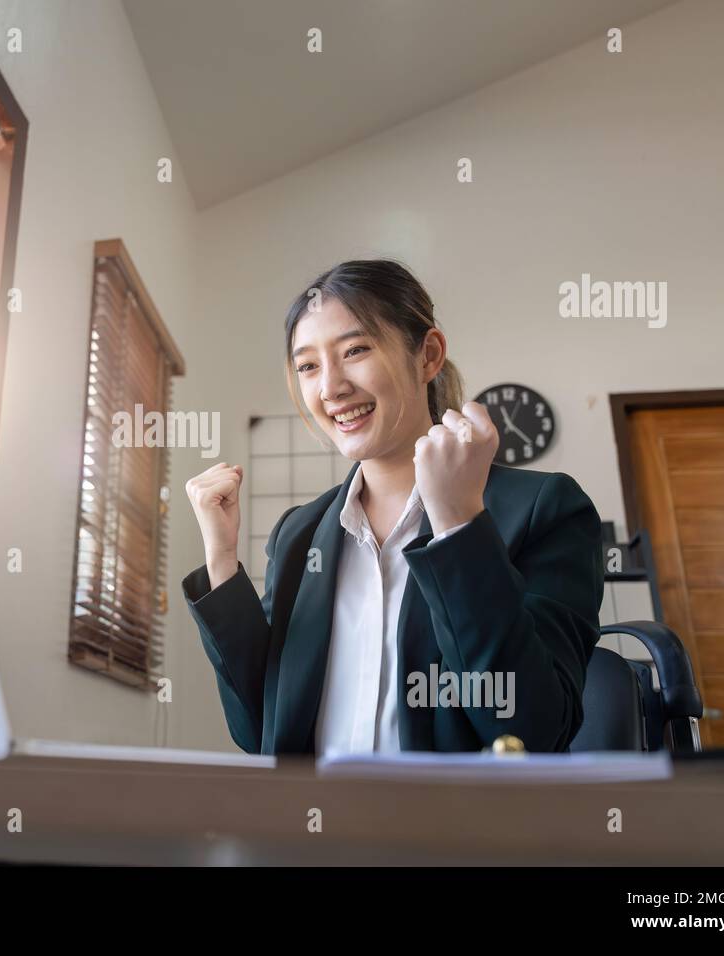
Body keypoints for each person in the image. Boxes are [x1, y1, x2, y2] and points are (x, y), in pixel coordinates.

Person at [182, 259, 603, 756]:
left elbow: (532, 732)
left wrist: (459, 527)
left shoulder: (543, 508)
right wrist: (221, 562)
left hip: (458, 829)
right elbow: (260, 732)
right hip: (316, 827)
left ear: (428, 355)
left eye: (355, 350)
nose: (331, 388)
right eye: (308, 366)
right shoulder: (301, 534)